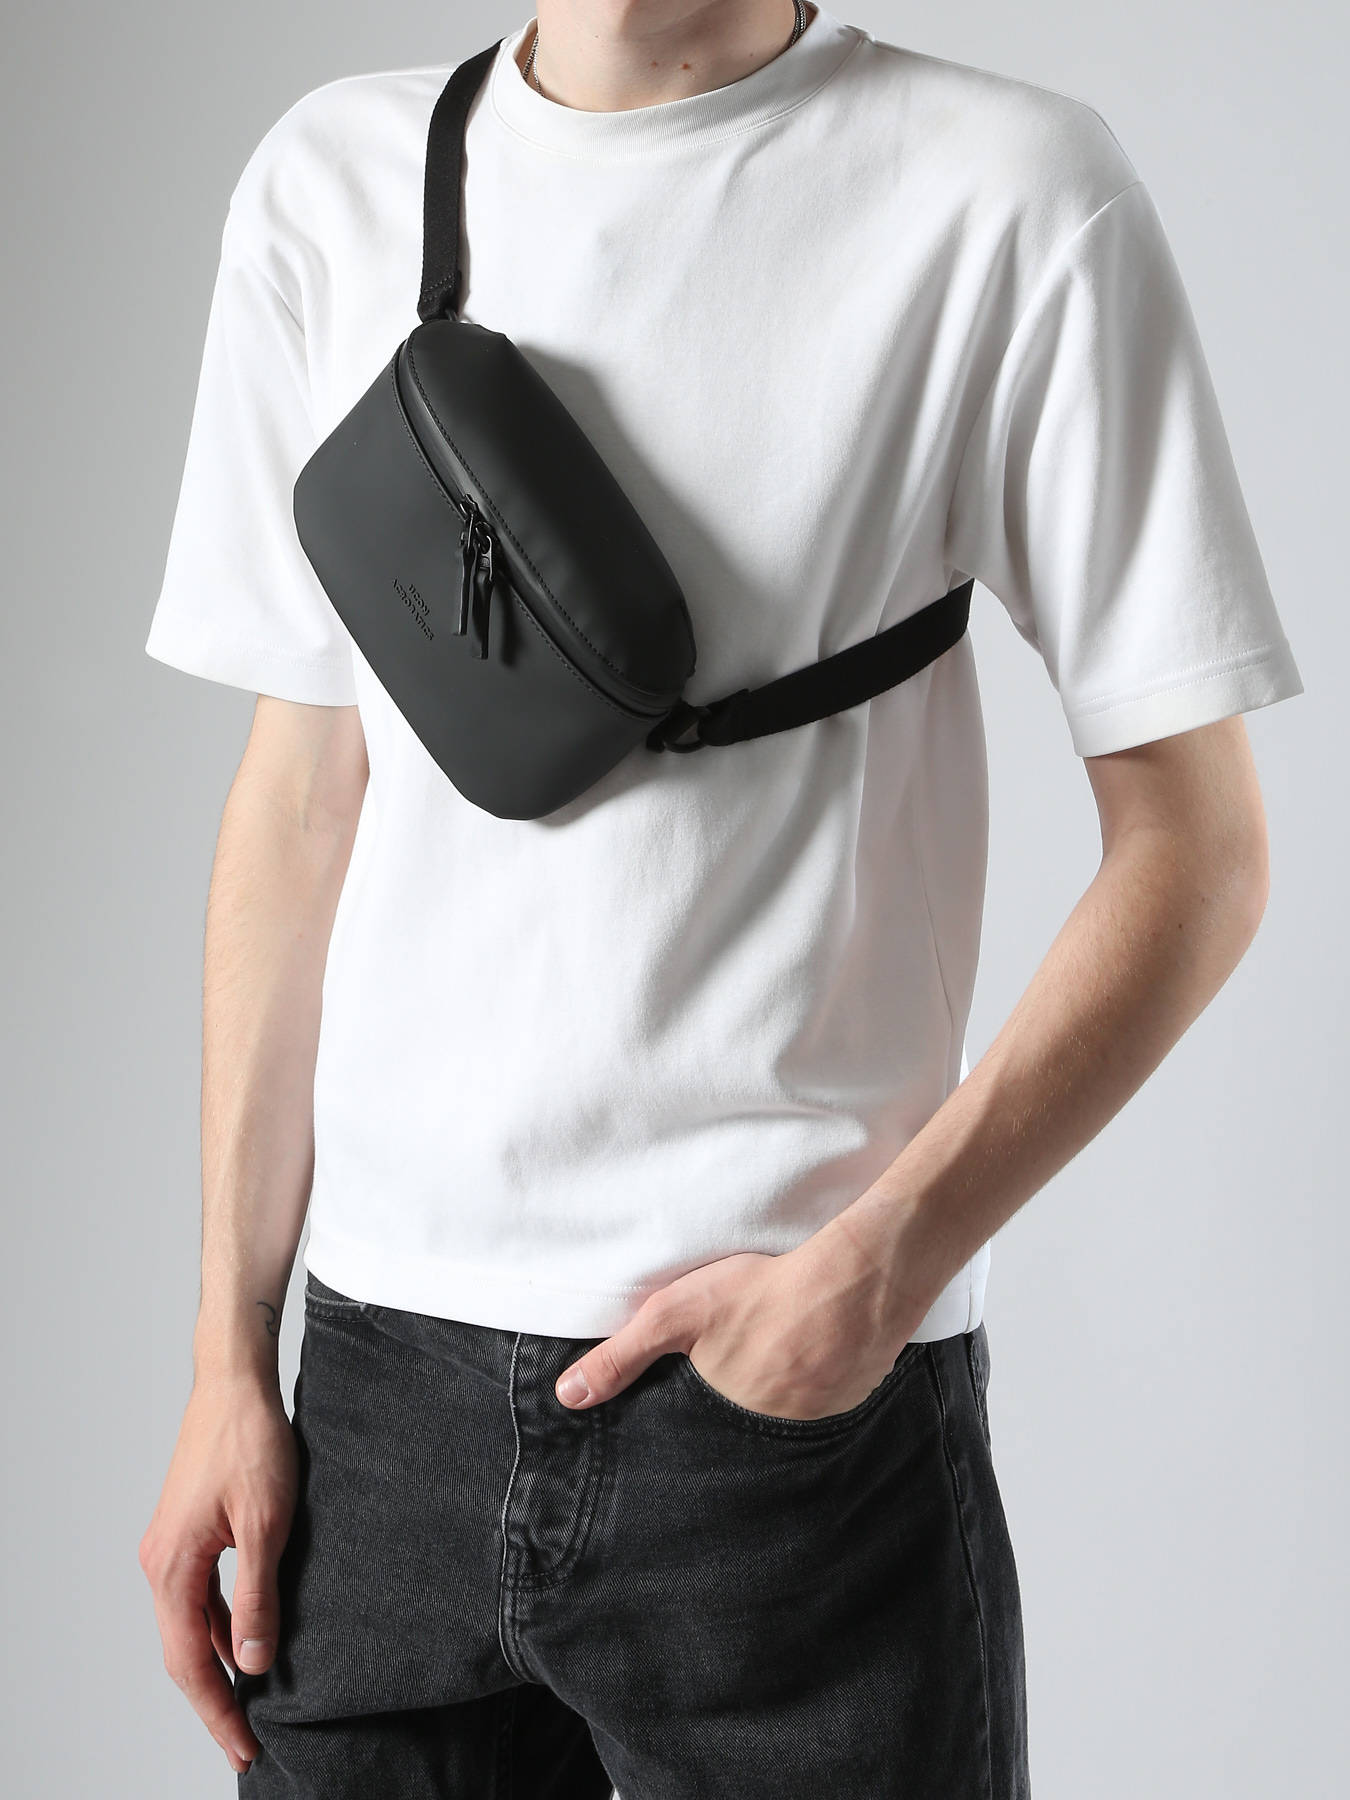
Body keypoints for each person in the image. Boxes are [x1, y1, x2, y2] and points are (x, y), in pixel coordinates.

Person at [136, 4, 1304, 1795]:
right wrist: (230, 1352)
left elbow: (1199, 851)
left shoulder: (1006, 191)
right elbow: (302, 799)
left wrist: (878, 1270)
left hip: (785, 1427)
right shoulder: (334, 179)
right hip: (374, 1408)